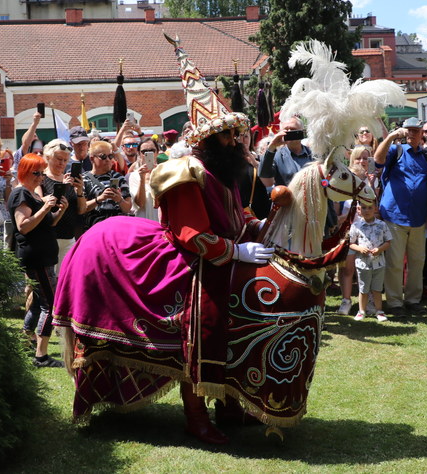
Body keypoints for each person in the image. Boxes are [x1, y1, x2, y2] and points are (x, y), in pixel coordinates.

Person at [53, 57, 270, 444]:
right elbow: (192, 234)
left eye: (235, 134)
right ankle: (195, 416)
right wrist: (236, 253)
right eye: (227, 135)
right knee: (197, 327)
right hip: (189, 259)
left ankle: (230, 403)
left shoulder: (228, 170)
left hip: (218, 257)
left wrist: (260, 227)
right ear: (207, 139)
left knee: (237, 329)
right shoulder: (186, 172)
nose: (236, 141)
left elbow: (234, 217)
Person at [8, 153, 69, 368]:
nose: (41, 177)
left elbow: (48, 223)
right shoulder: (20, 194)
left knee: (36, 304)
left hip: (44, 256)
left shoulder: (32, 194)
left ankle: (27, 342)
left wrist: (60, 210)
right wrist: (44, 207)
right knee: (49, 305)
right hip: (36, 257)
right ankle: (41, 355)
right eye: (37, 173)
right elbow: (23, 225)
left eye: (43, 173)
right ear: (24, 171)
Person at [374, 117, 427, 317]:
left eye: (416, 130)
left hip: (418, 217)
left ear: (421, 134)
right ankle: (394, 303)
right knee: (395, 262)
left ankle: (413, 300)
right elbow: (377, 160)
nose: (412, 134)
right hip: (394, 215)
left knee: (418, 261)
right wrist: (391, 137)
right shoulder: (396, 150)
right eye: (408, 130)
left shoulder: (426, 157)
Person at [337, 146, 379, 314]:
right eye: (358, 158)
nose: (362, 162)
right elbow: (338, 207)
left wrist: (370, 183)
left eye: (365, 158)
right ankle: (346, 300)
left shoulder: (373, 181)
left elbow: (375, 205)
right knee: (347, 268)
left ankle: (368, 300)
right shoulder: (343, 181)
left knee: (368, 269)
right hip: (349, 231)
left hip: (368, 232)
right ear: (352, 160)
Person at [40, 139, 86, 270]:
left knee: (66, 278)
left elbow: (82, 210)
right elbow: (38, 201)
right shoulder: (41, 177)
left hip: (68, 238)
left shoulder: (70, 179)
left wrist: (80, 191)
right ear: (48, 157)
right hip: (48, 237)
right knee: (47, 282)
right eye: (59, 159)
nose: (62, 163)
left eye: (65, 160)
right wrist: (64, 187)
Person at [348, 201, 392, 322]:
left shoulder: (381, 225)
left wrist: (379, 249)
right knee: (363, 289)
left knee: (377, 289)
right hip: (362, 264)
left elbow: (388, 242)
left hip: (379, 263)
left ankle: (379, 311)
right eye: (363, 208)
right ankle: (361, 311)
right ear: (358, 209)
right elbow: (350, 243)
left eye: (369, 208)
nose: (366, 211)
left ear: (375, 209)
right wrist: (359, 248)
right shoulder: (356, 225)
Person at [80, 140, 132, 229]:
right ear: (92, 158)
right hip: (96, 230)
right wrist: (100, 198)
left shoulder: (119, 177)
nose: (108, 160)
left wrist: (119, 200)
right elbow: (81, 209)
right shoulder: (84, 179)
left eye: (110, 156)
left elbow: (127, 208)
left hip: (118, 229)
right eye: (103, 156)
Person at [127, 138, 160, 222]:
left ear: (157, 152)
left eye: (152, 150)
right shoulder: (134, 176)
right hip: (143, 221)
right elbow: (140, 203)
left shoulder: (164, 172)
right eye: (144, 151)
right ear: (139, 153)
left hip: (161, 219)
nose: (148, 153)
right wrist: (142, 177)